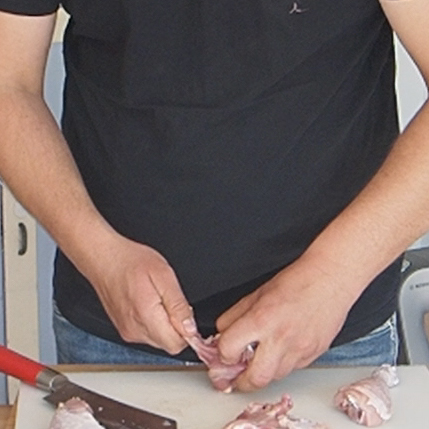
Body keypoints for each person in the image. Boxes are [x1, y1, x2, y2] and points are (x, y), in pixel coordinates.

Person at [0, 0, 428, 392]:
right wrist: (97, 253)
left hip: (326, 330)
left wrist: (333, 278)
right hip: (110, 324)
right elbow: (8, 85)